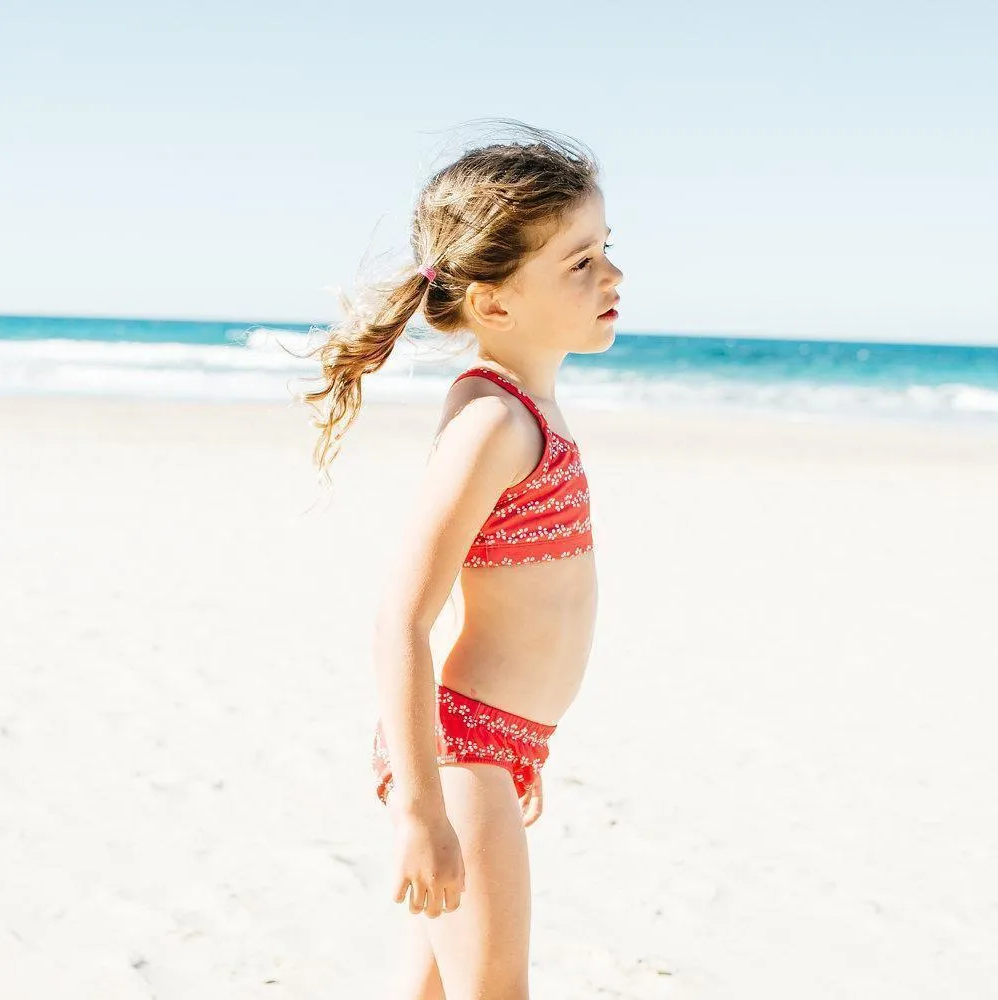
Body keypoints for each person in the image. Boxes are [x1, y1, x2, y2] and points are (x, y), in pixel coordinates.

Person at [300, 121, 623, 999]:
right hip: (460, 748)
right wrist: (421, 805)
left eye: (607, 250)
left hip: (498, 746)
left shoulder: (525, 409)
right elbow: (402, 616)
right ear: (494, 302)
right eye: (580, 262)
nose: (613, 277)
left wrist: (524, 750)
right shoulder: (494, 423)